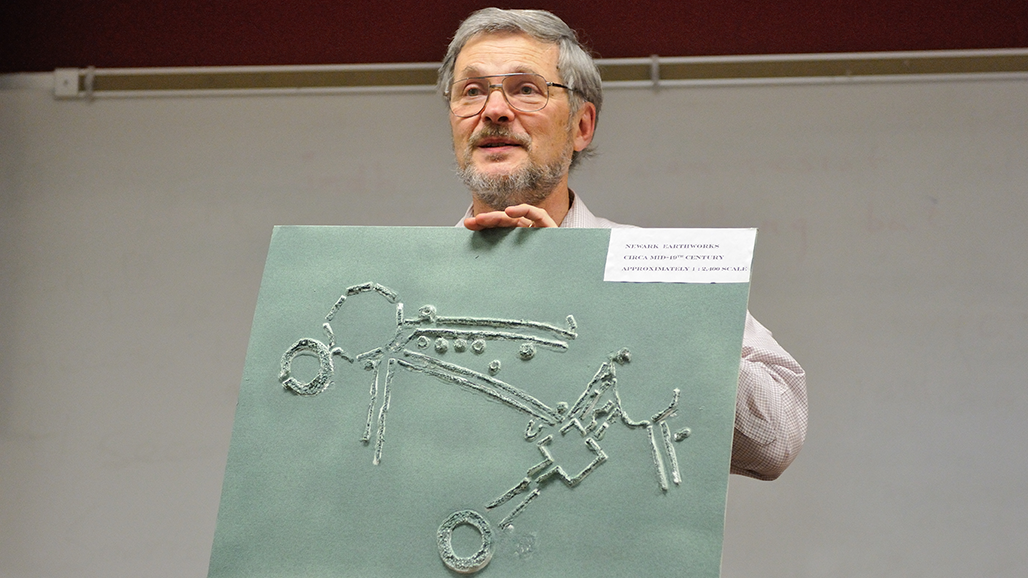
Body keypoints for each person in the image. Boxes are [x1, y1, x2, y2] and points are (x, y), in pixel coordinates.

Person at [438, 8, 806, 480]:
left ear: (581, 126)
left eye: (526, 89)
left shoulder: (664, 271)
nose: (493, 110)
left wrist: (602, 303)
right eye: (471, 91)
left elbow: (776, 439)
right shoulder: (396, 282)